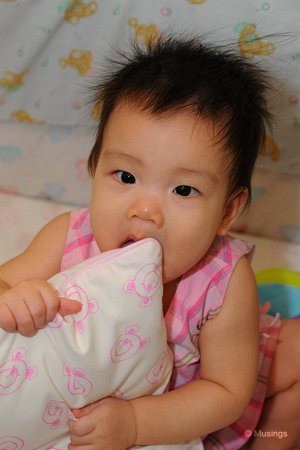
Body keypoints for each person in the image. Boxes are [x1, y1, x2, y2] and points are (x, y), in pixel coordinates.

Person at [0, 35, 299, 450]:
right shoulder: (68, 237)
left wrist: (137, 424)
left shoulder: (224, 280)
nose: (146, 212)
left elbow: (226, 392)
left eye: (183, 190)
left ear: (228, 213)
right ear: (94, 169)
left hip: (190, 407)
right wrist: (15, 299)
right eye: (125, 177)